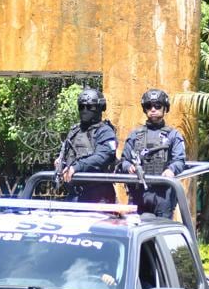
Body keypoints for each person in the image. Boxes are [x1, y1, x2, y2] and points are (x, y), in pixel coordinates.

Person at [119, 88, 187, 217]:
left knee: (161, 233)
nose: (153, 109)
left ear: (165, 108)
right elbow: (124, 160)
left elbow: (179, 160)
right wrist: (128, 167)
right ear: (145, 109)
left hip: (163, 194)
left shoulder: (173, 135)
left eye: (157, 106)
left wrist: (171, 169)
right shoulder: (135, 135)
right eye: (149, 106)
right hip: (138, 194)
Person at [55, 87, 118, 203]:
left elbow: (102, 157)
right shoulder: (75, 131)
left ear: (99, 108)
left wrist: (77, 167)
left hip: (99, 196)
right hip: (74, 195)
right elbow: (67, 154)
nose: (85, 110)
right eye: (82, 106)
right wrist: (60, 162)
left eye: (90, 107)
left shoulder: (105, 131)